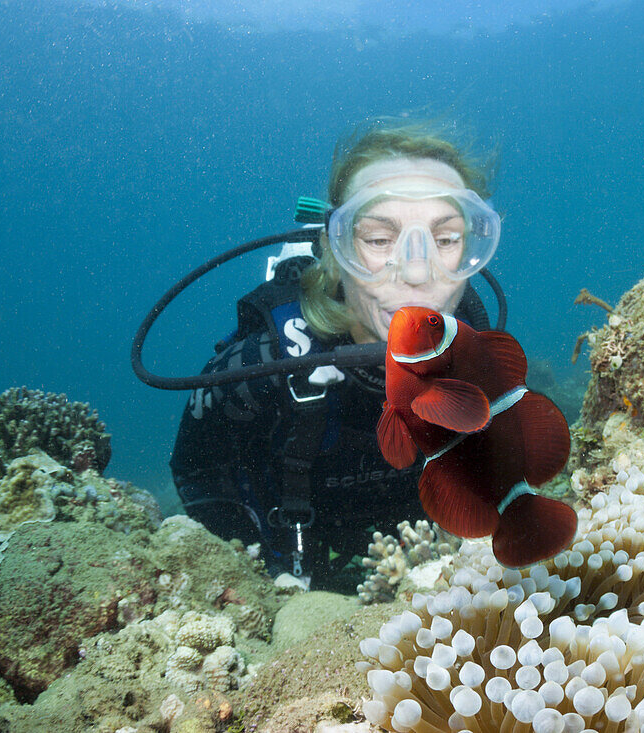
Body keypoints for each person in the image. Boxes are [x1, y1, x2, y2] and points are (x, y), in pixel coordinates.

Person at [170, 123, 501, 590]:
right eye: (378, 239)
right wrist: (255, 577)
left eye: (446, 239)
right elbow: (195, 468)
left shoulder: (478, 362)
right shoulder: (265, 364)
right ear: (334, 248)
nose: (415, 272)